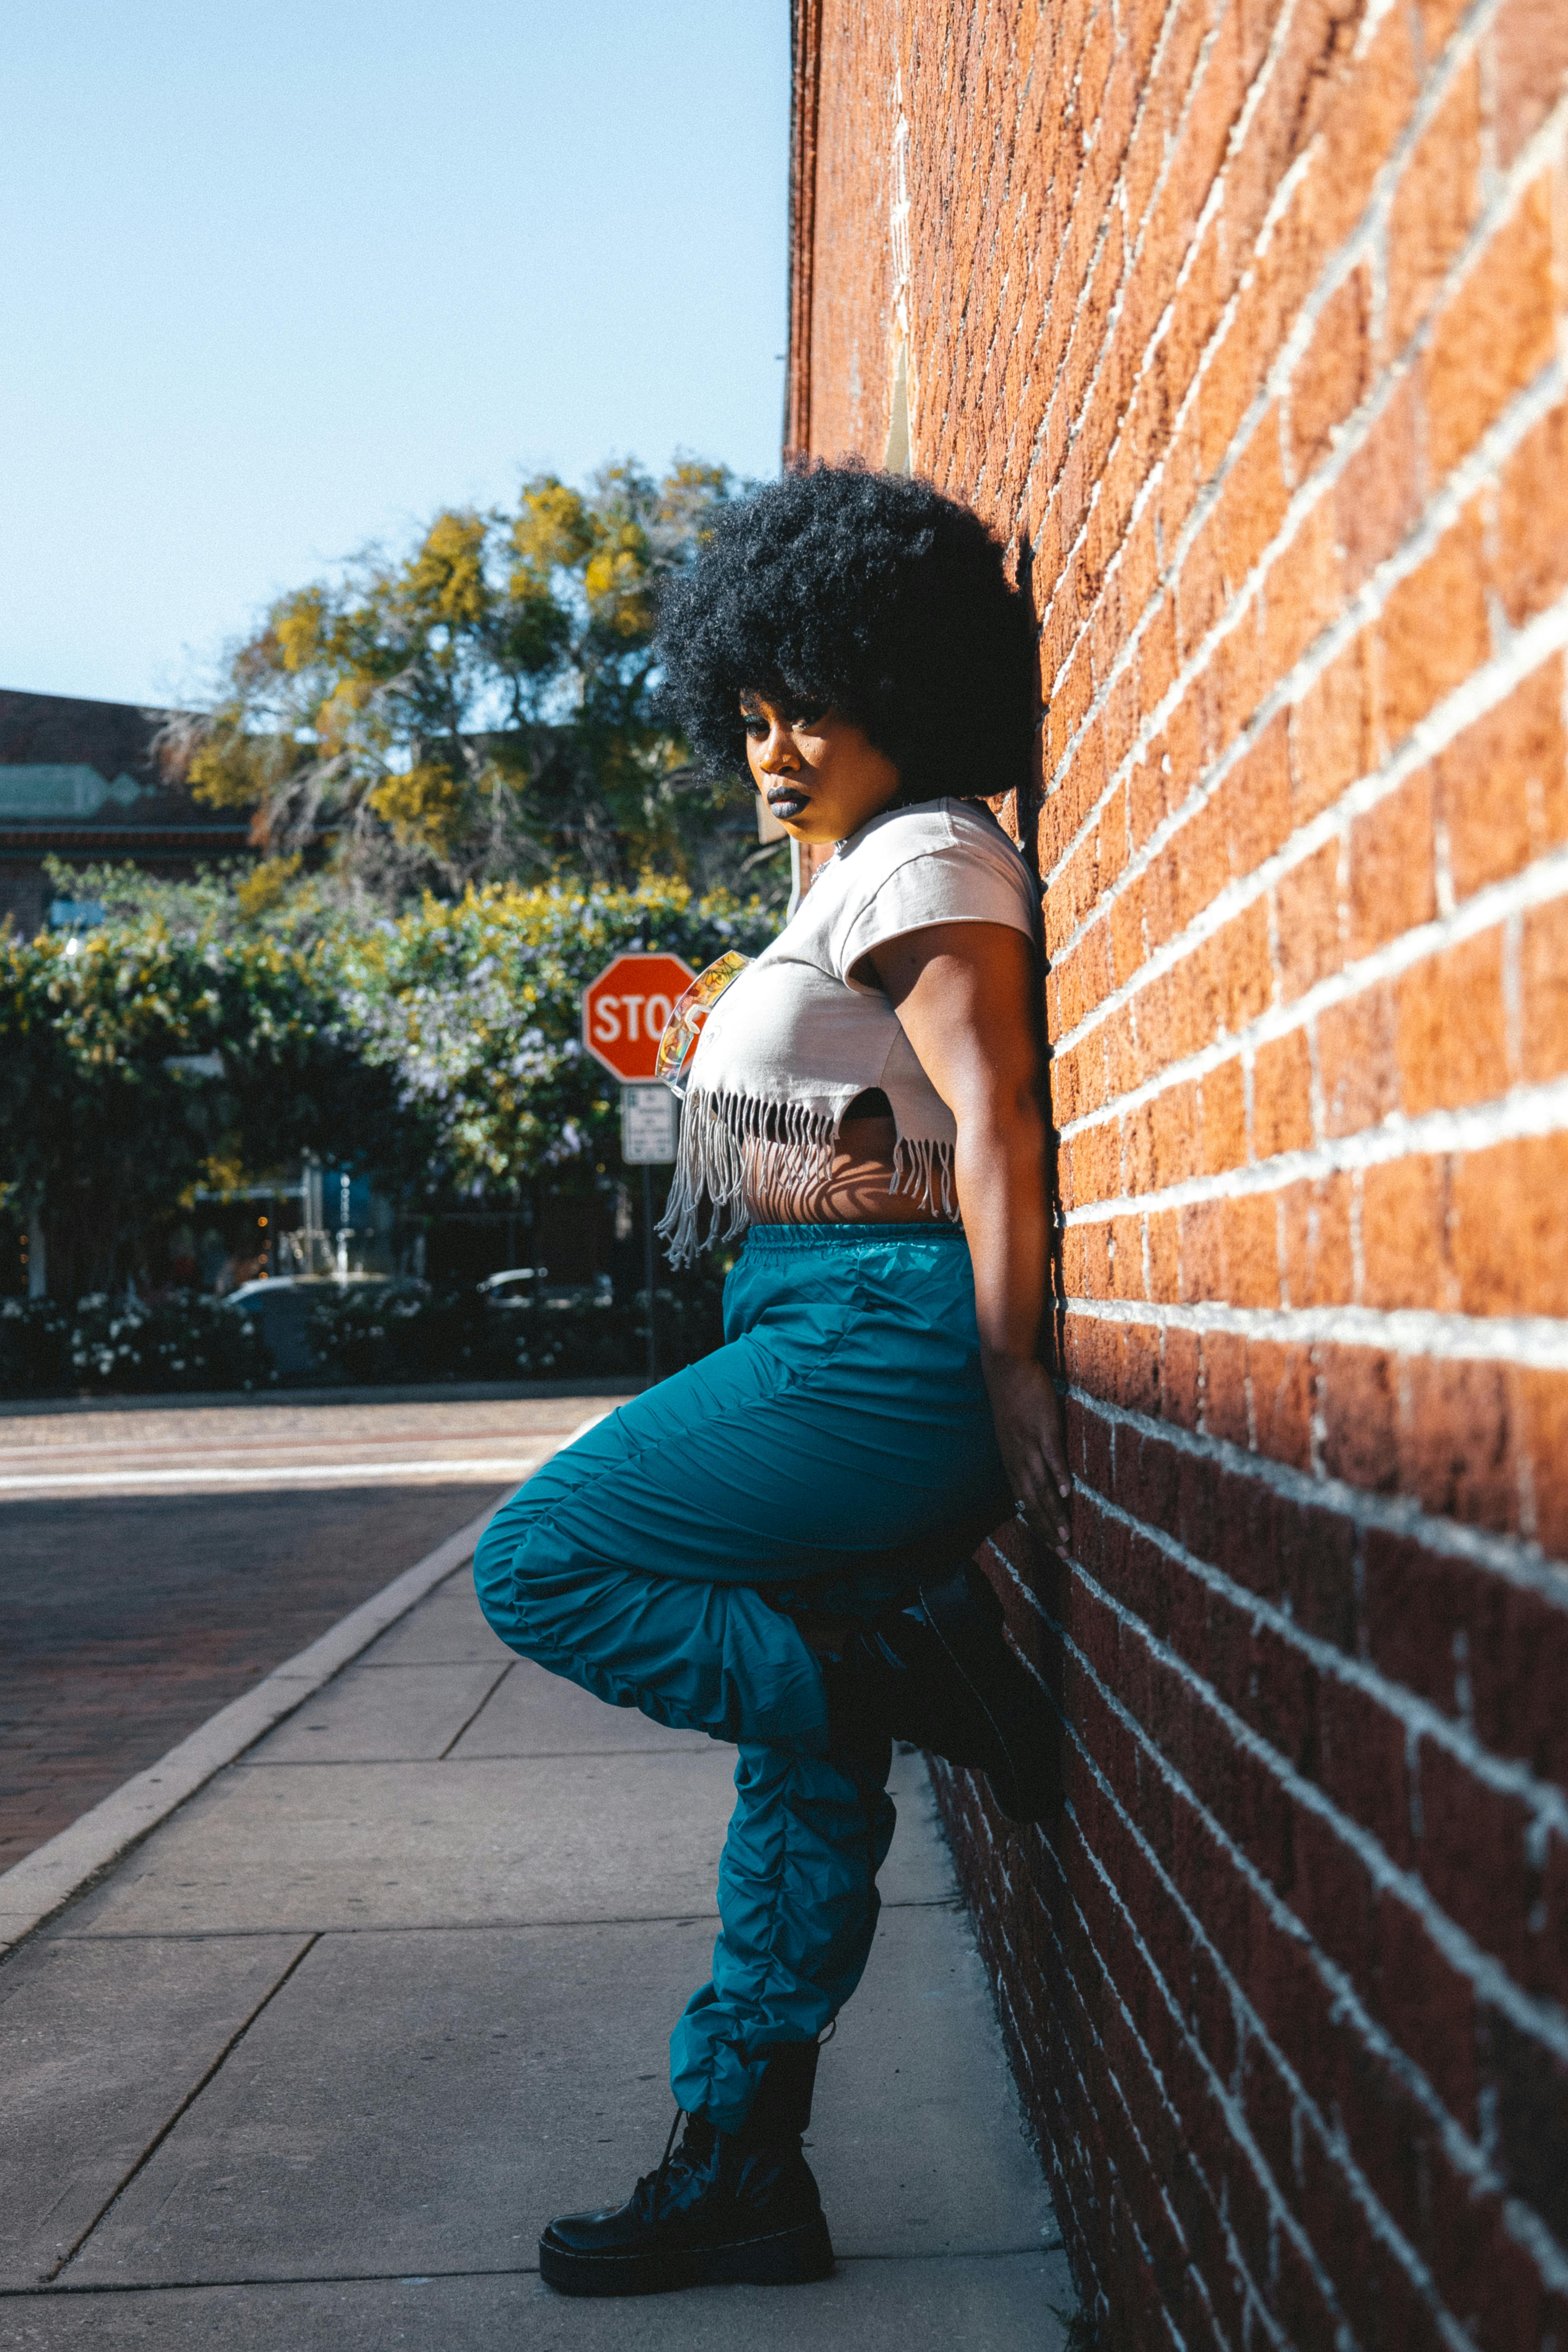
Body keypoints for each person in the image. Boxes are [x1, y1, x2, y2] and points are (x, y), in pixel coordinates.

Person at [473, 462, 1071, 2298]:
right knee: (800, 1783)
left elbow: (998, 1124)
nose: (777, 747)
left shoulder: (923, 856)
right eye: (751, 715)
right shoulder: (856, 870)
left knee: (542, 1562)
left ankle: (890, 1661)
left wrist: (1008, 1370)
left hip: (873, 1337)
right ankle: (744, 2161)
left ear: (903, 680)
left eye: (810, 704)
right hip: (815, 1322)